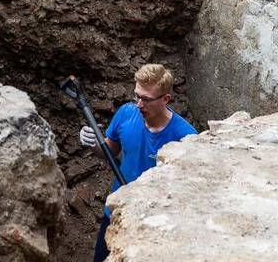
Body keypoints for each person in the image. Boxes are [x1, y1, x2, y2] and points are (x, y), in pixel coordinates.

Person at [79, 64, 197, 262]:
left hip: (151, 222)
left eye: (146, 99)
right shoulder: (127, 113)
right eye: (137, 96)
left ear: (165, 99)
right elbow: (110, 151)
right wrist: (93, 144)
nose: (139, 104)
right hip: (116, 212)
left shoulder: (185, 137)